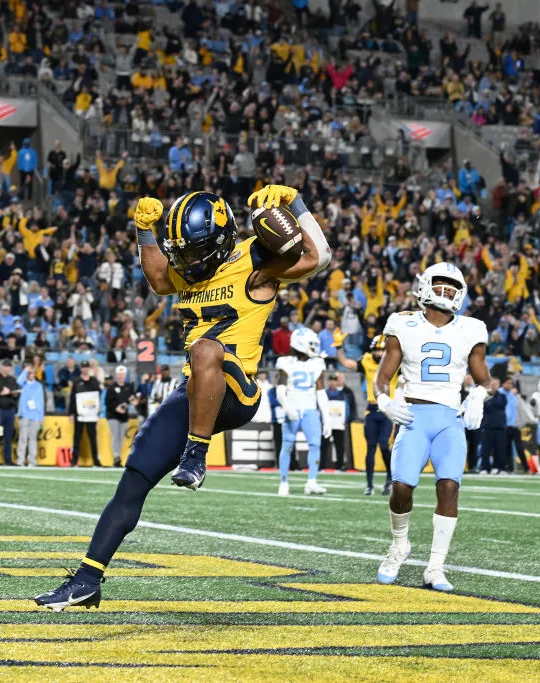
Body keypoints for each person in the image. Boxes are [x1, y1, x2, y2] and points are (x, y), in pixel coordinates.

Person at [35, 184, 330, 610]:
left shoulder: (254, 259)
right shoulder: (192, 266)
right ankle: (86, 581)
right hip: (194, 393)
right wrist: (145, 231)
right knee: (134, 477)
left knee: (205, 349)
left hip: (237, 390)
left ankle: (197, 453)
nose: (186, 262)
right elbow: (157, 278)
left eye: (193, 252)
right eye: (183, 252)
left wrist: (296, 204)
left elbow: (318, 257)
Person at [373, 262, 491, 592]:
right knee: (401, 488)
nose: (445, 291)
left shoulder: (471, 329)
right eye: (439, 284)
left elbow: (485, 379)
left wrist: (478, 395)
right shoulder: (403, 323)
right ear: (424, 286)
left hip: (449, 420)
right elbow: (382, 379)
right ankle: (399, 546)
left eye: (452, 287)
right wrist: (385, 402)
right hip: (413, 417)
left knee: (449, 487)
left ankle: (435, 567)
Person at [337, 335, 399, 495]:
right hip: (371, 408)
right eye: (377, 350)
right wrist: (338, 347)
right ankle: (370, 485)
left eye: (382, 350)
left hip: (388, 410)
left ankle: (389, 480)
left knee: (384, 445)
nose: (379, 354)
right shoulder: (366, 360)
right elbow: (345, 362)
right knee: (371, 447)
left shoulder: (396, 362)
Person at [275, 327, 331, 496]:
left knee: (315, 445)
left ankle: (312, 482)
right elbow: (280, 390)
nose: (314, 347)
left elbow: (321, 392)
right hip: (293, 407)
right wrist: (287, 407)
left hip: (310, 409)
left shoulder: (317, 363)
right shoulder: (286, 362)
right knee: (287, 445)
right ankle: (283, 481)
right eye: (311, 344)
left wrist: (326, 417)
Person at [68, 363, 101, 466]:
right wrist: (71, 413)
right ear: (81, 369)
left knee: (93, 437)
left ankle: (96, 460)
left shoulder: (94, 381)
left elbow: (98, 394)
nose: (85, 369)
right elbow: (72, 398)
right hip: (79, 414)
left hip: (91, 414)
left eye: (86, 367)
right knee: (77, 437)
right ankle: (74, 460)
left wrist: (98, 411)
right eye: (83, 367)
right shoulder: (76, 381)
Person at [16, 359, 45, 466]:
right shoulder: (22, 384)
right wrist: (25, 371)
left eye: (31, 372)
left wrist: (41, 417)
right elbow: (18, 381)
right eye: (28, 372)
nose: (30, 374)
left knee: (33, 439)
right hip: (24, 414)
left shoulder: (38, 385)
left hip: (35, 415)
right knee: (23, 438)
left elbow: (41, 402)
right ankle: (20, 460)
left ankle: (32, 460)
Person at [105, 365, 134, 467]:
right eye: (119, 374)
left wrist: (134, 401)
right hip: (113, 415)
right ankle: (116, 456)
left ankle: (118, 457)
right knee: (115, 436)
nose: (121, 376)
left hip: (124, 415)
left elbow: (131, 399)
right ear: (116, 375)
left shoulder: (128, 387)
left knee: (121, 437)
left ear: (125, 375)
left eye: (123, 374)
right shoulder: (111, 388)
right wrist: (116, 408)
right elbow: (108, 402)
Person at [477, 379, 507, 474]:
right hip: (487, 426)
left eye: (496, 384)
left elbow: (500, 404)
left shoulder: (502, 396)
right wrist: (491, 403)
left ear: (498, 385)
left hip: (499, 427)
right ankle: (484, 468)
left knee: (500, 449)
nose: (494, 386)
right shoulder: (484, 396)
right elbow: (484, 406)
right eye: (492, 384)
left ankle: (499, 467)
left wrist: (490, 403)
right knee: (485, 449)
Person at [324, 372, 349, 471]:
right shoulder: (324, 393)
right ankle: (322, 465)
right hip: (327, 423)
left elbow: (346, 408)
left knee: (340, 445)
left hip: (338, 423)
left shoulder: (342, 394)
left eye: (334, 381)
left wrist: (345, 419)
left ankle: (340, 465)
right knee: (324, 444)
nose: (333, 383)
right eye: (331, 381)